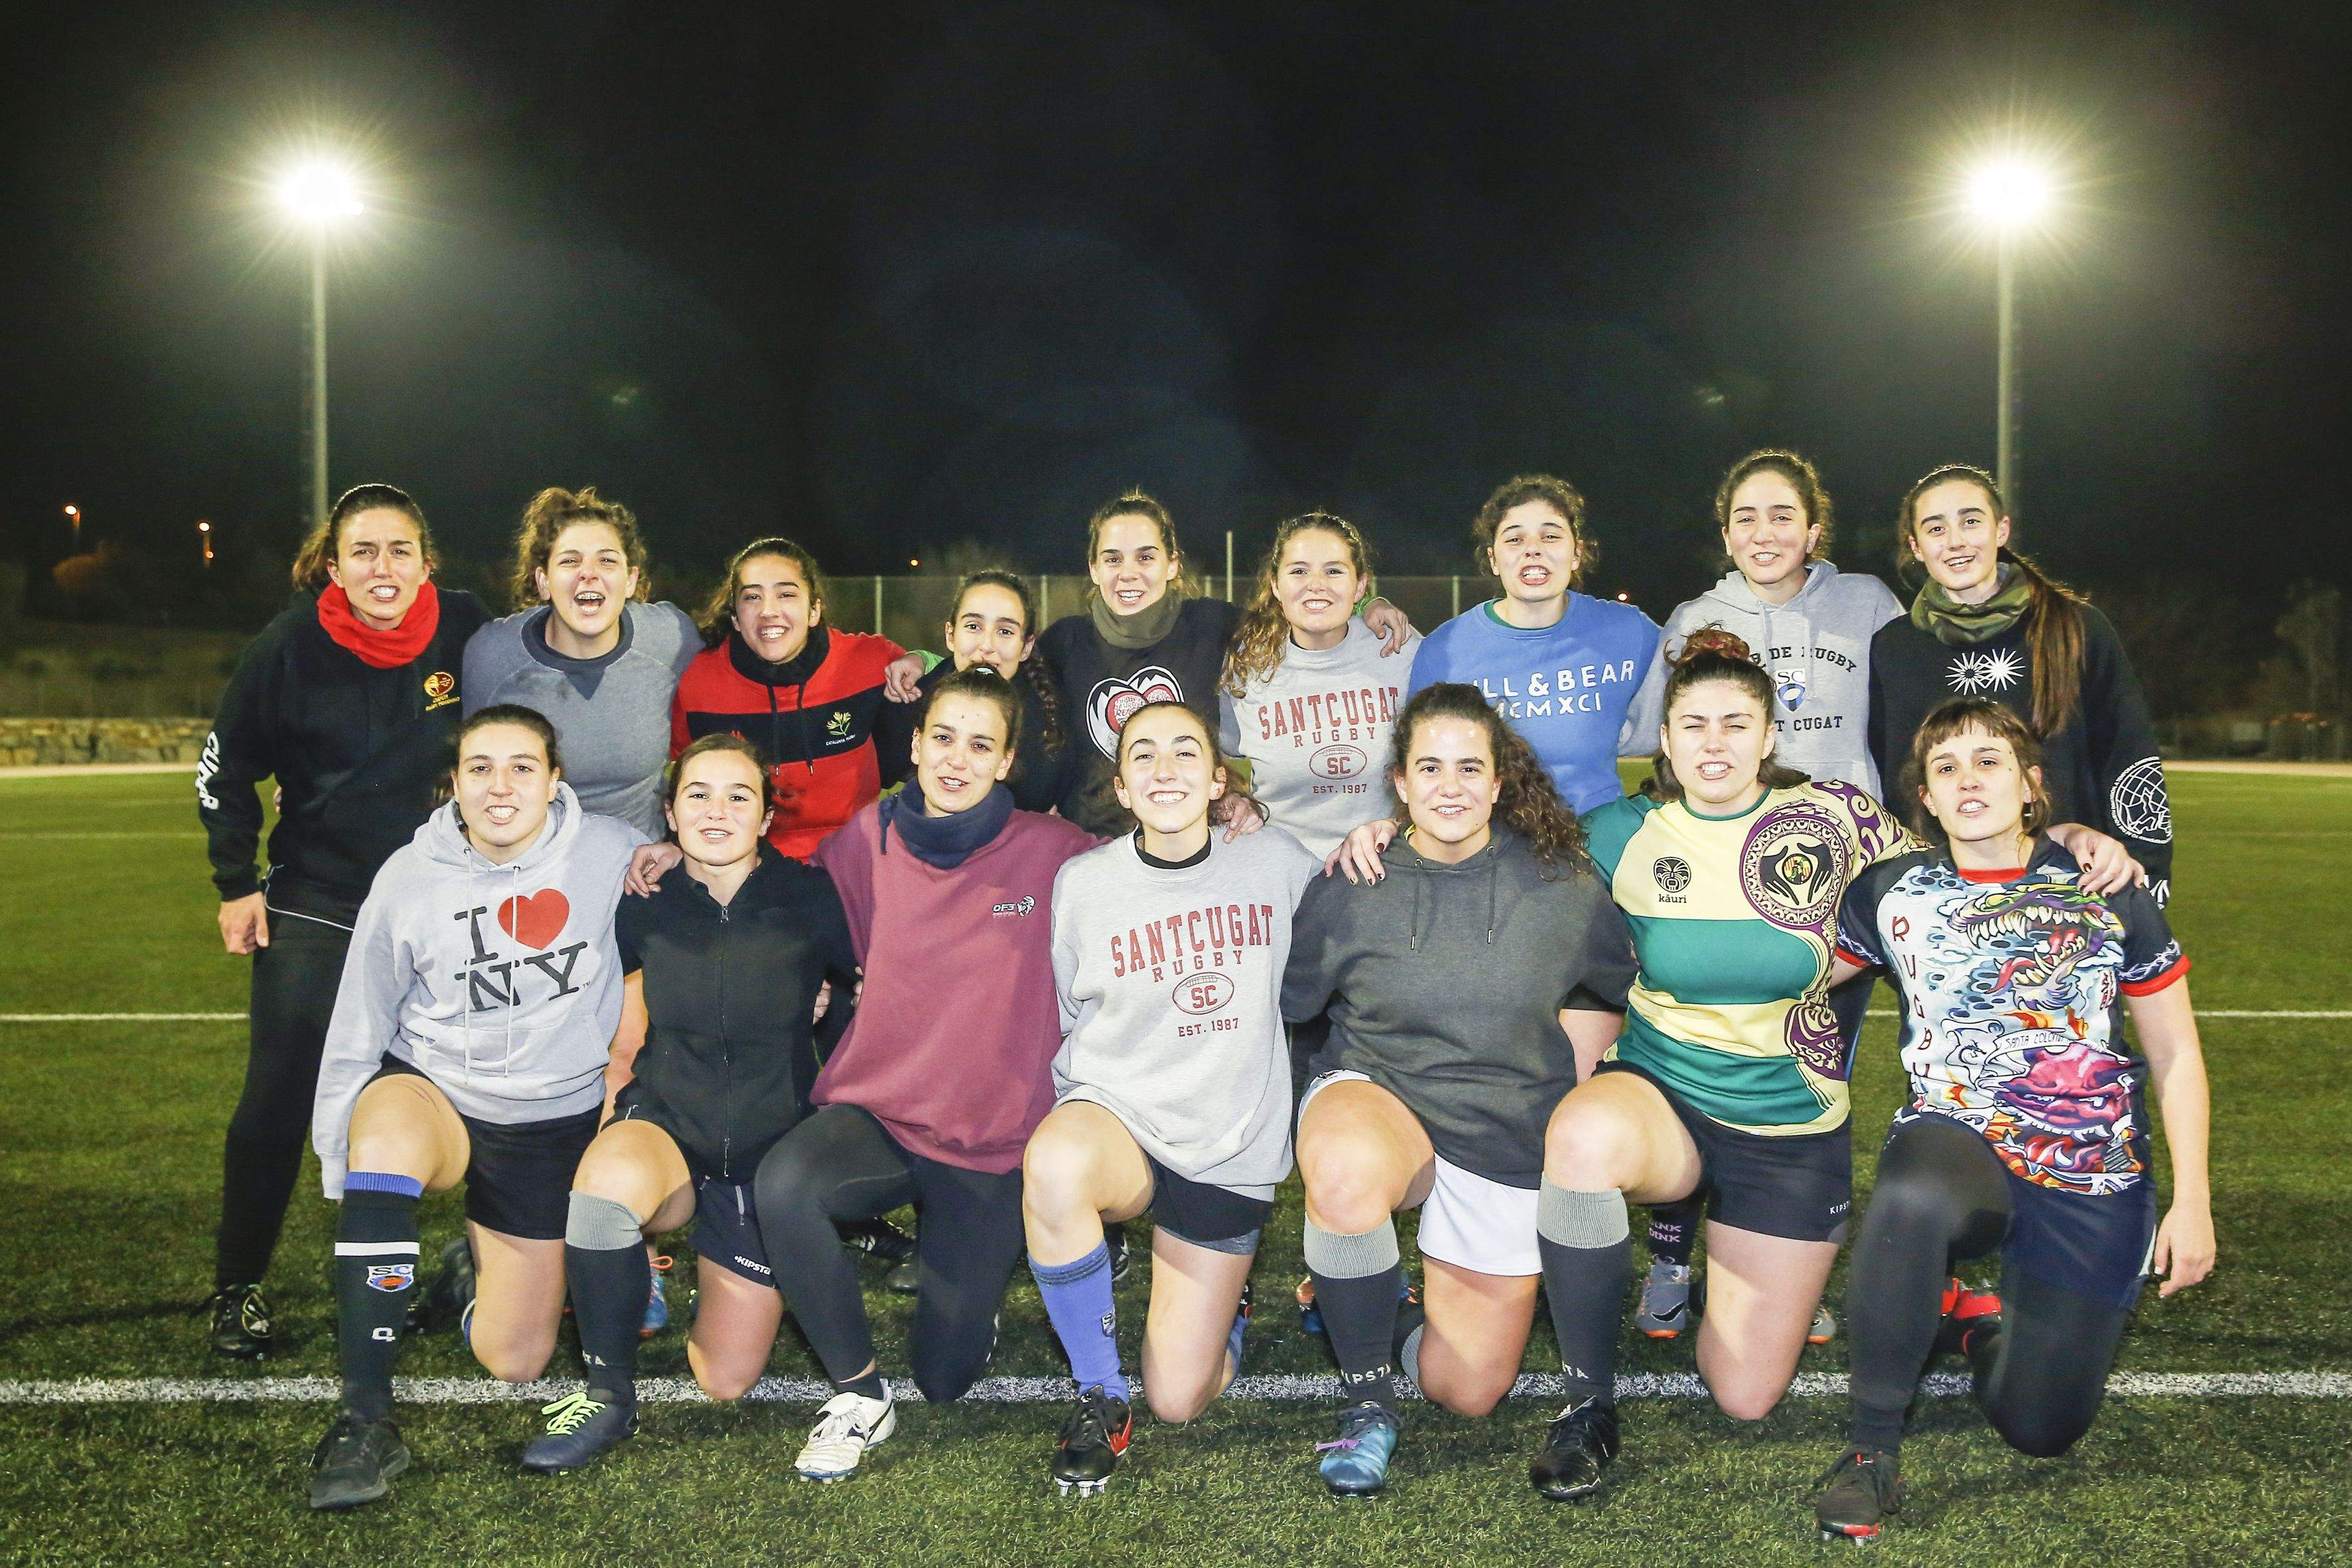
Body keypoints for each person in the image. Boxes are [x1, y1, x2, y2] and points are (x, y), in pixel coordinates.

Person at [1524, 629, 1913, 1503]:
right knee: (1580, 1138)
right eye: (1693, 723)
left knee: (1743, 1394)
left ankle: (1726, 1273)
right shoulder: (1620, 832)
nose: (1713, 742)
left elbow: (1938, 879)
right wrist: (1387, 834)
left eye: (1735, 723)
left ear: (1768, 735)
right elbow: (1500, 879)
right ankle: (1587, 1404)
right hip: (1664, 1094)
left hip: (1788, 1122)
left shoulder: (1835, 816)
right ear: (1664, 738)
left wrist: (2072, 846)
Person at [1812, 698, 2211, 1541]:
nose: (1968, 779)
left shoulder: (2107, 887)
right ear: (1925, 797)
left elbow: (2176, 1051)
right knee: (1914, 1196)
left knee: (2042, 1427)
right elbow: (1794, 976)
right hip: (1959, 1138)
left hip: (2091, 1163)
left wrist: (2195, 1200)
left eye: (1988, 761)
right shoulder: (1890, 892)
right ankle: (1871, 1450)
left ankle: (1971, 1322)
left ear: (2031, 785)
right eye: (1946, 766)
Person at [1281, 683, 1636, 1498]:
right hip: (1382, 1097)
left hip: (1502, 1130)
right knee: (1343, 1168)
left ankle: (1366, 1294)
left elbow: (1622, 985)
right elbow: (1297, 1013)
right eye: (1430, 767)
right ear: (1400, 782)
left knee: (1467, 1388)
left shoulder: (1562, 884)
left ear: (1499, 781)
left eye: (1470, 768)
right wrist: (1312, 1116)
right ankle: (1367, 1404)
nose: (1450, 786)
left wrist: (1591, 1077)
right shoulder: (1353, 880)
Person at [750, 667, 1096, 1481]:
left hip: (993, 1142)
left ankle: (969, 1297)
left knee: (945, 1377)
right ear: (914, 743)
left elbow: (1157, 873)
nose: (955, 759)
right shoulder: (863, 840)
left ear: (1005, 762)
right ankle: (860, 1394)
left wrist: (1237, 815)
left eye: (980, 745)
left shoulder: (1057, 852)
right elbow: (783, 898)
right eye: (942, 737)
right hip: (883, 1111)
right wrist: (676, 857)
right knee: (785, 1184)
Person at [302, 706, 644, 1510]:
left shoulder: (612, 851)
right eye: (480, 768)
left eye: (522, 767)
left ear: (555, 779)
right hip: (437, 1094)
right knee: (384, 1148)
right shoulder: (408, 876)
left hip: (548, 1124)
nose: (501, 786)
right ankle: (365, 1421)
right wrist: (340, 1163)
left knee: (516, 1361)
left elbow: (704, 886)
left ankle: (468, 1274)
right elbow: (358, 1022)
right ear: (454, 783)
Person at [512, 733, 862, 1474]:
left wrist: (830, 1010)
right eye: (698, 795)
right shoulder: (641, 898)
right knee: (604, 1186)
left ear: (767, 816)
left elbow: (873, 986)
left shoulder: (812, 896)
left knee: (725, 1378)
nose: (717, 811)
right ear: (669, 813)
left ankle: (686, 1268)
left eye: (739, 796)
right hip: (668, 1126)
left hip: (767, 1159)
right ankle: (608, 1397)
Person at [195, 483, 489, 1359]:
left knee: (482, 1086)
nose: (382, 567)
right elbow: (226, 768)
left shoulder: (468, 628)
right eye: (363, 551)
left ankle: (481, 1262)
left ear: (427, 561)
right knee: (279, 1094)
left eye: (400, 549)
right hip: (318, 898)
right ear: (333, 565)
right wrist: (234, 882)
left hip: (441, 899)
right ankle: (237, 1285)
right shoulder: (287, 647)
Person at [1618, 451, 1901, 1342]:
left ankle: (1786, 1259)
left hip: (1830, 892)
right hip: (1712, 886)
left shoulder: (1866, 603)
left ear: (1814, 527)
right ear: (1725, 530)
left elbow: (1916, 703)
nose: (1764, 532)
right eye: (1746, 516)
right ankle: (1670, 1260)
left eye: (1783, 515)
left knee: (1811, 1078)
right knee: (1684, 1073)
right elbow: (1641, 728)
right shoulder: (1695, 618)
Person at [1024, 701, 1318, 1495]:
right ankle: (1099, 1392)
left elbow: (1349, 936)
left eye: (1186, 751)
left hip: (1227, 1146)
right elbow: (1071, 1010)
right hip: (1120, 1120)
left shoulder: (1276, 861)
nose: (1165, 769)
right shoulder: (1085, 884)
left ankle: (1230, 1307)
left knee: (1181, 1398)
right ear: (1121, 788)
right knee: (1055, 1162)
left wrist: (1380, 834)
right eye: (1143, 755)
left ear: (1220, 780)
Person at [1868, 464, 2175, 904]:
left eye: (1970, 521)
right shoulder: (1894, 648)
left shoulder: (2076, 628)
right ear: (1916, 546)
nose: (1955, 541)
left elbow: (2129, 755)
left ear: (2001, 530)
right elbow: (1897, 775)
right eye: (1936, 528)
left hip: (2072, 889)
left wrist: (2146, 872)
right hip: (1944, 899)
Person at [1034, 490, 1411, 836]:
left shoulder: (1214, 626)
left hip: (1196, 843)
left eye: (1146, 557)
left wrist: (1366, 605)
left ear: (1172, 564)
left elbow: (1302, 609)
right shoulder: (1062, 644)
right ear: (1094, 568)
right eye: (1112, 559)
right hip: (1094, 844)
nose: (1128, 573)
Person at [1403, 473, 1660, 816]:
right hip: (1490, 837)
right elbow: (1417, 763)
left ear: (1577, 553)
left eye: (1551, 536)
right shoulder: (1443, 651)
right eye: (1515, 539)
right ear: (1494, 559)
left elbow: (1698, 693)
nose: (1533, 549)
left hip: (1597, 831)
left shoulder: (1629, 630)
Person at [463, 487, 701, 839]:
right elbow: (471, 775)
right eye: (570, 561)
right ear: (544, 582)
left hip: (641, 860)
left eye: (607, 561)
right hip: (532, 860)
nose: (589, 574)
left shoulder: (670, 637)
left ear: (631, 580)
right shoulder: (493, 655)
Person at [670, 536, 907, 859]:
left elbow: (950, 674)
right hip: (745, 866)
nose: (768, 611)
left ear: (814, 610)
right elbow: (675, 784)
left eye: (786, 594)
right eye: (752, 597)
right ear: (736, 618)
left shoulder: (872, 661)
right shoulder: (697, 680)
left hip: (854, 859)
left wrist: (921, 659)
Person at [1219, 512, 1420, 860]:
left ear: (1360, 586)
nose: (1316, 584)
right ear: (1275, 585)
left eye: (1334, 571)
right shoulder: (1246, 664)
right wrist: (1231, 797)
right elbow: (1213, 757)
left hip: (1387, 867)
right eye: (1298, 571)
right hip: (1282, 871)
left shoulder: (1399, 648)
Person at [877, 568, 1069, 813]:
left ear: (1026, 646)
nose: (987, 646)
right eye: (973, 626)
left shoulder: (1052, 715)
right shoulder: (912, 700)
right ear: (950, 635)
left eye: (1005, 631)